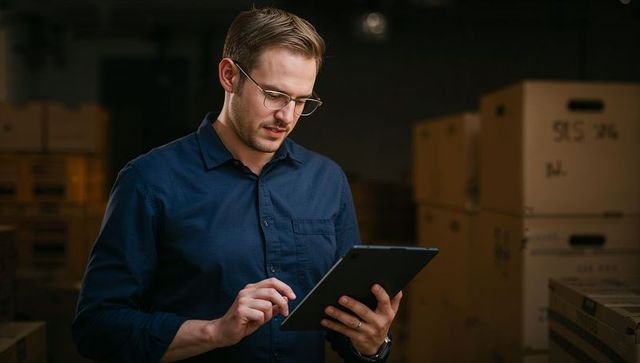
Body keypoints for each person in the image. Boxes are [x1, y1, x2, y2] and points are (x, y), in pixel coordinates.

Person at [72, 7, 401, 363]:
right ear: (230, 76)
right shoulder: (149, 181)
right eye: (274, 95)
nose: (287, 116)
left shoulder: (327, 181)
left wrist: (371, 344)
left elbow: (341, 323)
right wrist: (214, 331)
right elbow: (97, 330)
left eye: (302, 100)